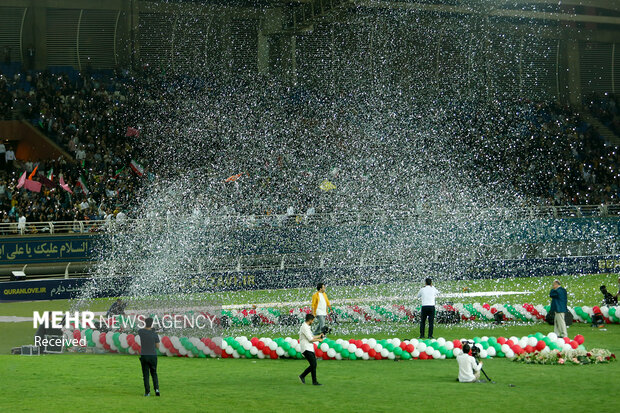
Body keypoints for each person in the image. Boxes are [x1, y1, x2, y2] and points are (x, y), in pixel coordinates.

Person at [298, 313, 325, 386]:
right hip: (306, 348)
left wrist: (319, 336)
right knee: (313, 364)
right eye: (312, 320)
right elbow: (310, 339)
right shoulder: (304, 327)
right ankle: (312, 380)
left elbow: (311, 336)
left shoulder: (306, 326)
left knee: (313, 365)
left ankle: (304, 377)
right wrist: (319, 340)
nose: (312, 322)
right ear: (310, 320)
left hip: (309, 348)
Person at [138, 317, 160, 397]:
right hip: (153, 355)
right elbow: (157, 346)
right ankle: (157, 389)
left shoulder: (141, 332)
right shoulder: (154, 334)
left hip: (144, 355)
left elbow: (142, 330)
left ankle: (147, 392)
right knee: (154, 373)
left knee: (146, 375)